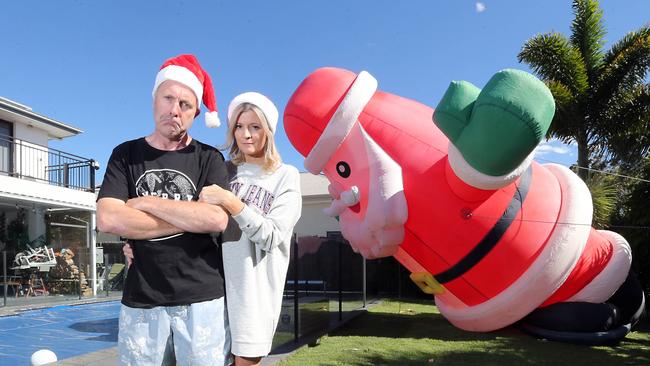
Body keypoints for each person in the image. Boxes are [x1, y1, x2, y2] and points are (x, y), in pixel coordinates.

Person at [96, 54, 232, 366]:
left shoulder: (209, 158)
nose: (175, 110)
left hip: (202, 301)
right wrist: (190, 216)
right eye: (168, 98)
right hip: (141, 301)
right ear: (154, 99)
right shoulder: (126, 155)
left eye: (185, 104)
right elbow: (109, 217)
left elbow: (215, 218)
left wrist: (144, 204)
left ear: (196, 113)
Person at [198, 92, 302, 366]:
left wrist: (233, 203)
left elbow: (273, 236)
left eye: (255, 127)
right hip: (211, 290)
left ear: (268, 130)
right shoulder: (222, 170)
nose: (246, 134)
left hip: (252, 295)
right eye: (239, 127)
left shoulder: (285, 175)